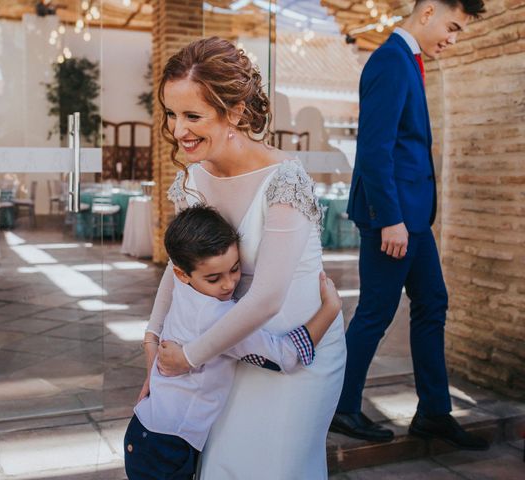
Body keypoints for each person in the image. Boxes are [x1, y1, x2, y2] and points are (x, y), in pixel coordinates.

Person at [142, 37, 347, 479]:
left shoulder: (284, 180)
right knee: (224, 466)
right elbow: (180, 271)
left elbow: (268, 297)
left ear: (234, 111)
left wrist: (190, 356)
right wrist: (155, 342)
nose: (178, 130)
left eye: (192, 116)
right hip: (227, 351)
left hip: (296, 354)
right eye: (172, 114)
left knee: (276, 467)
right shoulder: (193, 179)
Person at [330, 0, 489, 450]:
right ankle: (342, 407)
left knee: (432, 303)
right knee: (375, 314)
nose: (453, 39)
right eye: (452, 27)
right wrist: (391, 220)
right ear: (428, 13)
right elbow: (375, 149)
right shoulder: (390, 61)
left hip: (412, 217)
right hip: (394, 219)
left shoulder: (408, 60)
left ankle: (434, 414)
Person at [126, 205, 342, 479]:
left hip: (146, 430)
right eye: (214, 278)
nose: (229, 285)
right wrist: (329, 310)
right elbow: (286, 357)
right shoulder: (222, 318)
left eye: (235, 269)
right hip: (167, 446)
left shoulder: (184, 287)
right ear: (182, 274)